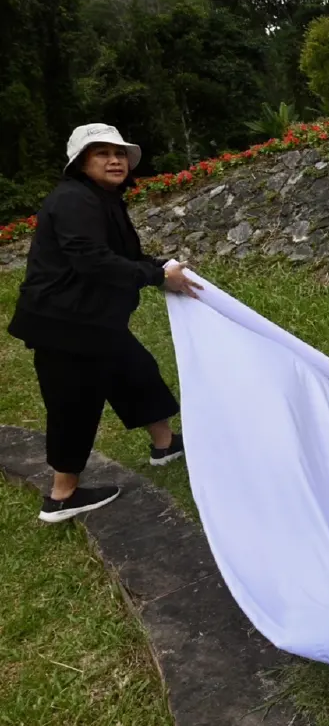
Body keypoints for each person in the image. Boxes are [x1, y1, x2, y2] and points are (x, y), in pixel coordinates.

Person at [6, 123, 203, 524]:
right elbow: (91, 261)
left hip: (95, 320)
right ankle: (62, 495)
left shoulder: (103, 199)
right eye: (102, 154)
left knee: (136, 372)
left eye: (119, 154)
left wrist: (158, 266)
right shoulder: (75, 200)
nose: (115, 161)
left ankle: (165, 446)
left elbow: (119, 254)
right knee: (73, 403)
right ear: (81, 163)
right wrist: (158, 276)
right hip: (64, 323)